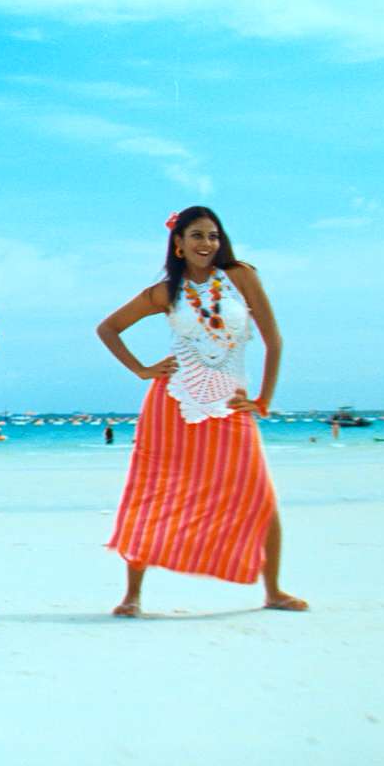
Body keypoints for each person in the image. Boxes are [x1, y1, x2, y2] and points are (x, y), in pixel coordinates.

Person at [95, 207, 306, 617]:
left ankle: (274, 591)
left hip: (230, 403)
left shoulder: (241, 277)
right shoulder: (164, 292)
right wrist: (141, 370)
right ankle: (132, 596)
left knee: (259, 492)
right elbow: (108, 328)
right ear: (179, 243)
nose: (206, 243)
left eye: (213, 235)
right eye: (196, 235)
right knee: (154, 493)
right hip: (171, 405)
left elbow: (274, 340)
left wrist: (263, 398)